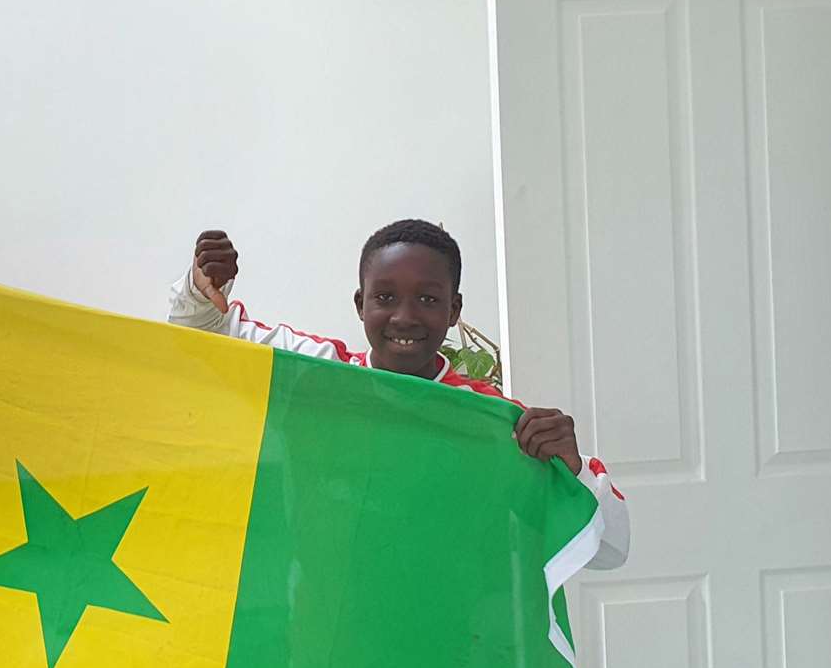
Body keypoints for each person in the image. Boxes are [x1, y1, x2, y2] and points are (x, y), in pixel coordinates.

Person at [170, 220, 629, 569]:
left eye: (428, 300)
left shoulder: (494, 422)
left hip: (449, 660)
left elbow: (610, 550)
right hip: (321, 652)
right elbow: (202, 336)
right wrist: (200, 286)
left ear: (454, 311)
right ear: (360, 304)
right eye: (385, 297)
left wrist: (570, 470)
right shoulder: (316, 374)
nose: (404, 317)